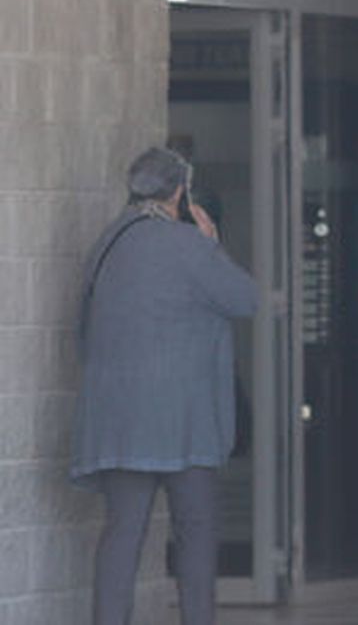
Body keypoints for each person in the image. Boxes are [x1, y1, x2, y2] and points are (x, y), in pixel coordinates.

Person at [70, 147, 258, 625]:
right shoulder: (190, 246)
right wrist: (212, 241)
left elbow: (83, 328)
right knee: (196, 530)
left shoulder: (106, 244)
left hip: (117, 420)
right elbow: (245, 298)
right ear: (179, 191)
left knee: (122, 533)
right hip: (184, 423)